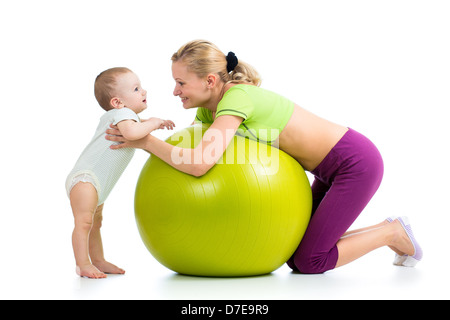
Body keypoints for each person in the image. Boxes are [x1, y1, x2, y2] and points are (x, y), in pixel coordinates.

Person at [106, 41, 422, 274]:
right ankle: (390, 230)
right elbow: (190, 152)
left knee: (309, 261)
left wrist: (147, 142)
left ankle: (391, 231)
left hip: (354, 164)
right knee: (297, 250)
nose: (175, 91)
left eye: (181, 83)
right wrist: (136, 128)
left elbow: (200, 163)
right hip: (326, 170)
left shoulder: (236, 98)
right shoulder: (208, 107)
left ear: (210, 81)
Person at [66, 67, 175, 279]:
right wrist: (153, 122)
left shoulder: (122, 116)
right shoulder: (124, 115)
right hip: (86, 179)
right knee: (85, 223)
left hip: (95, 184)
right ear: (118, 102)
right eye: (136, 89)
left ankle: (98, 260)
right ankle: (82, 264)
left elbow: (134, 129)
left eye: (140, 87)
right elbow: (132, 132)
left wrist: (153, 123)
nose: (143, 91)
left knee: (95, 223)